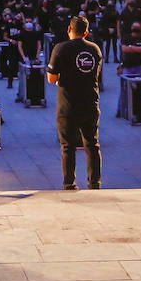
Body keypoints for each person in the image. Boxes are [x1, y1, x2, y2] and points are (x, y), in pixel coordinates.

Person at [46, 15, 103, 191]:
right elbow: (96, 75)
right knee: (92, 145)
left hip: (68, 105)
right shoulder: (95, 50)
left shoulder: (60, 48)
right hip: (90, 103)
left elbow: (51, 78)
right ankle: (95, 183)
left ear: (69, 29)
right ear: (86, 32)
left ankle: (69, 183)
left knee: (68, 147)